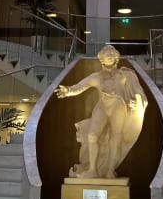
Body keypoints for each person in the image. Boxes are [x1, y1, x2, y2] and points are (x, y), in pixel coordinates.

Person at [54, 44, 148, 179]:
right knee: (92, 136)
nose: (109, 56)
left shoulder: (125, 75)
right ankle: (92, 170)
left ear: (116, 58)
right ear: (101, 59)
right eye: (107, 54)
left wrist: (137, 102)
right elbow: (79, 87)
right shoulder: (96, 77)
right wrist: (67, 91)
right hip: (102, 107)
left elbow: (138, 92)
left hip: (118, 106)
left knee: (116, 138)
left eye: (112, 54)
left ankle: (110, 170)